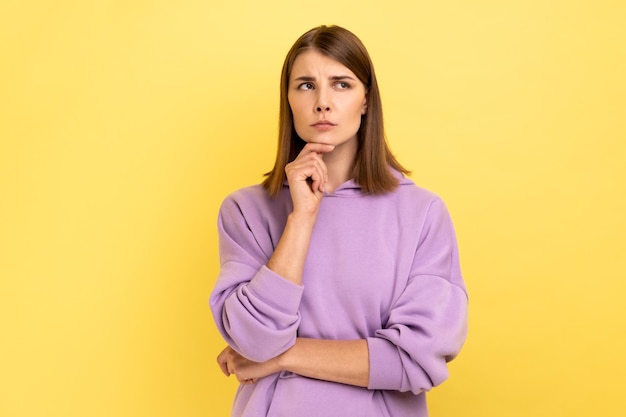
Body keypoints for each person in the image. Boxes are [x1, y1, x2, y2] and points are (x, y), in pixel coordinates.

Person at [209, 25, 468, 417]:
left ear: (366, 101)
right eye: (306, 85)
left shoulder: (421, 213)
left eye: (342, 84)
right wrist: (302, 218)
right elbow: (255, 341)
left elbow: (417, 359)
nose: (323, 103)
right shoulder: (245, 211)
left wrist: (284, 358)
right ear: (289, 100)